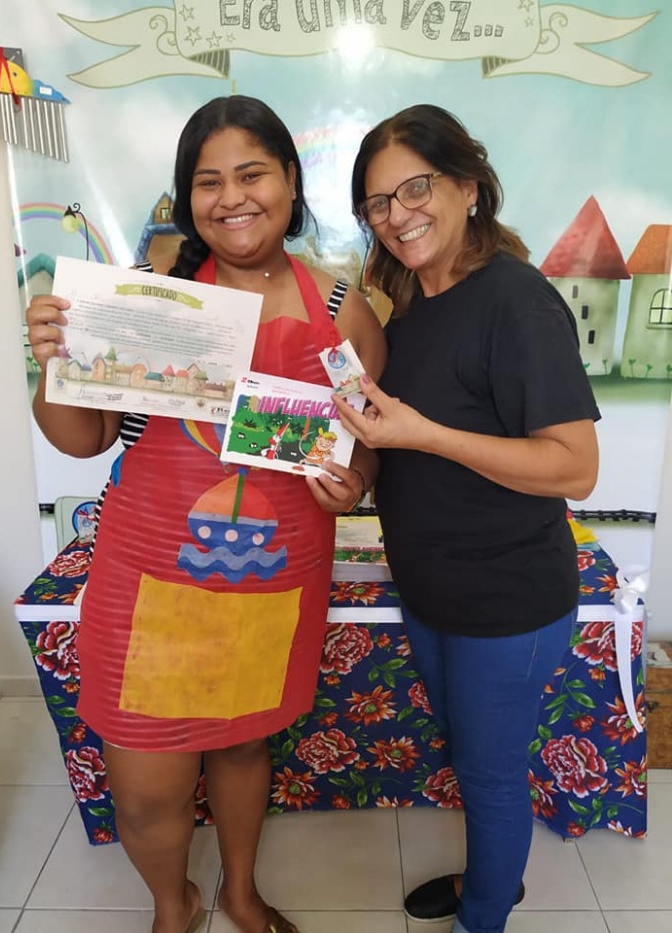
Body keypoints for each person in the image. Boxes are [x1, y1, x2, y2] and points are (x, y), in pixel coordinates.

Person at [27, 95, 386, 933]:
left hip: (271, 585)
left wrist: (355, 479)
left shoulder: (342, 309)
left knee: (243, 745)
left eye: (252, 174)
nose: (232, 197)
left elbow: (364, 441)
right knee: (145, 792)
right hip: (147, 582)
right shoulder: (149, 300)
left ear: (290, 181)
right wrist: (52, 361)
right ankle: (174, 901)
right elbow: (82, 439)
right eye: (208, 181)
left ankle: (240, 890)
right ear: (188, 197)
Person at [335, 104, 600, 933]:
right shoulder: (411, 308)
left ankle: (483, 914)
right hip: (433, 593)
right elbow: (399, 446)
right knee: (469, 752)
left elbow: (575, 466)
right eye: (378, 202)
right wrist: (357, 472)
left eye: (416, 188)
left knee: (489, 775)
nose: (397, 214)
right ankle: (489, 875)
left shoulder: (516, 302)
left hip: (507, 600)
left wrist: (425, 434)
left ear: (469, 186)